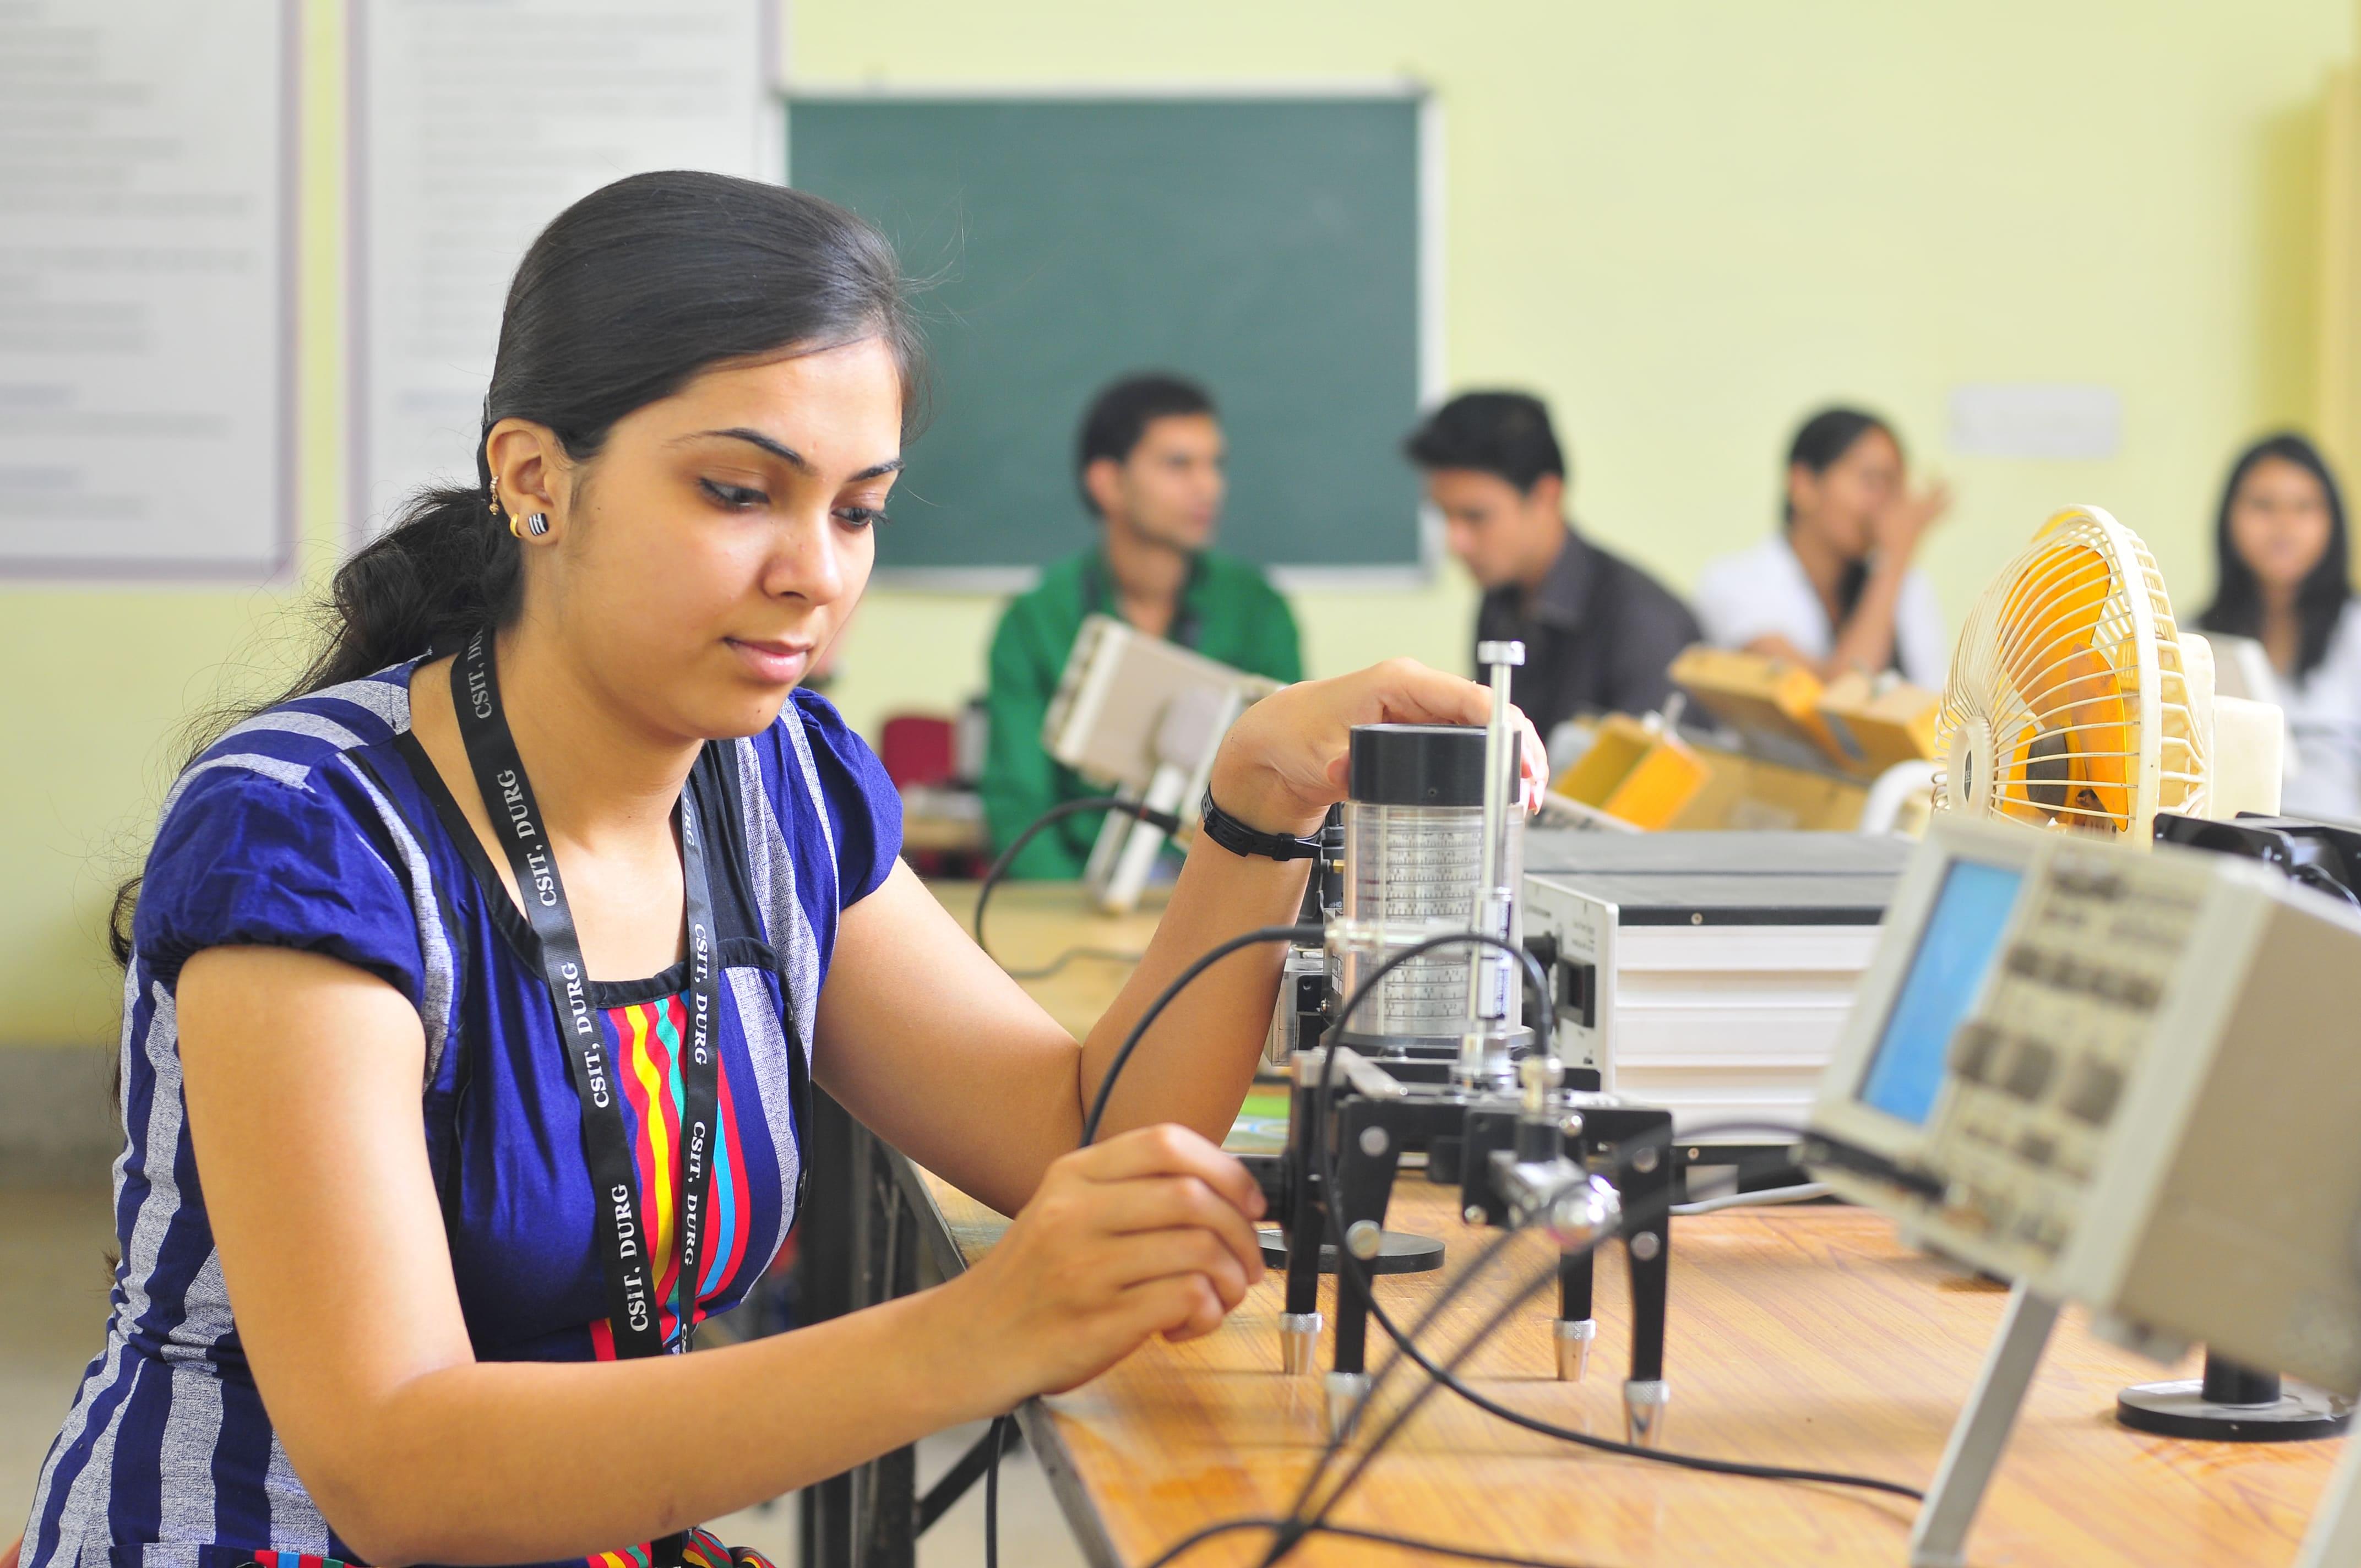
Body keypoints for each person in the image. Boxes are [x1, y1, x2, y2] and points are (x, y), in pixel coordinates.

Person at [20, 173, 1542, 1568]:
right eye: (739, 494)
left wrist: (1254, 811)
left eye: (859, 509)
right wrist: (972, 1332)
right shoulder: (315, 830)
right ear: (535, 478)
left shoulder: (779, 787)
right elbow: (395, 1467)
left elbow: (1079, 1129)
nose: (816, 571)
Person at [979, 374, 1302, 878]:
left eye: (1215, 464)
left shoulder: (1259, 609)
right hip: (1077, 889)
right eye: (1179, 464)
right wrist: (1068, 920)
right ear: (1107, 482)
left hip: (1220, 886)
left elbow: (1286, 784)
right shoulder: (1035, 620)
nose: (1209, 486)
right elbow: (1018, 808)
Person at [1403, 391, 1700, 736]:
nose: (1455, 543)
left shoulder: (1641, 620)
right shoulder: (1499, 601)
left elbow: (1650, 783)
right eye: (1444, 516)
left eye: (1475, 517)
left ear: (1546, 495)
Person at [1693, 406, 1950, 689]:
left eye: (1897, 488)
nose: (1889, 506)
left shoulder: (1910, 588)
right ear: (1803, 485)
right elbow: (1828, 701)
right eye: (1873, 482)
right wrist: (1895, 559)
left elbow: (1935, 710)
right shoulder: (1735, 583)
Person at [2198, 432, 2361, 821]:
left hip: (2340, 856)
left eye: (2304, 507)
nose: (2284, 526)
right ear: (2229, 518)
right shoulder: (2194, 639)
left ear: (2332, 521)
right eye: (2263, 505)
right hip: (2232, 842)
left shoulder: (2354, 630)